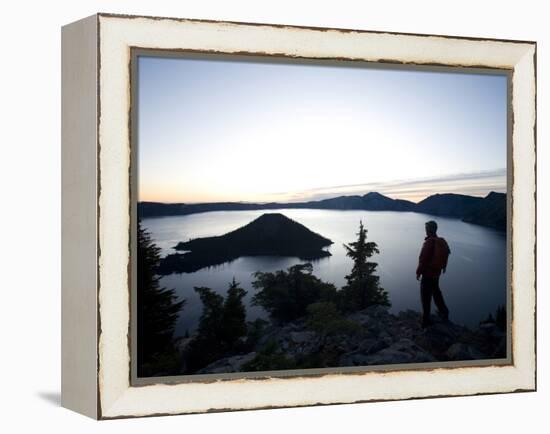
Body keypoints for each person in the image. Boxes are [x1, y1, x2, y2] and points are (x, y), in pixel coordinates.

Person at [416, 220, 450, 328]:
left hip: (428, 274)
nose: (425, 230)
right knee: (436, 292)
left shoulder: (429, 242)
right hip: (436, 273)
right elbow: (447, 253)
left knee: (425, 297)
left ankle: (426, 321)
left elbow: (423, 259)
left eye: (426, 229)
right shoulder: (441, 241)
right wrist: (442, 267)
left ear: (429, 230)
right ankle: (444, 311)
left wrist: (418, 272)